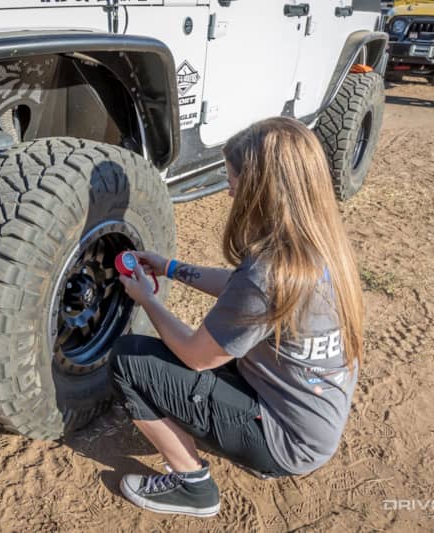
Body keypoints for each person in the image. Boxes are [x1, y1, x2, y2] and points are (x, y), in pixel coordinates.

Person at [109, 117, 364, 517]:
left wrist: (146, 299)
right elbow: (241, 287)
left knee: (130, 360)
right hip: (310, 422)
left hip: (285, 441)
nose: (229, 191)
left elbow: (196, 355)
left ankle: (193, 488)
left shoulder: (269, 273)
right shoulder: (315, 250)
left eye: (233, 180)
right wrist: (170, 267)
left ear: (262, 188)